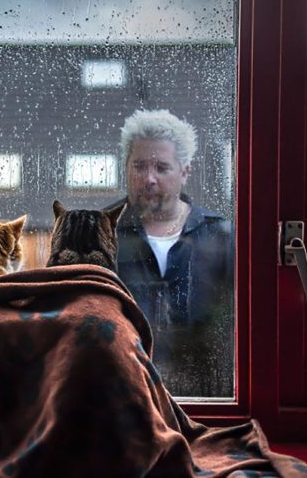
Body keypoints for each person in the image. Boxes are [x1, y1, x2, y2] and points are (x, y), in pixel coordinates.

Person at [108, 109, 234, 398]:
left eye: (162, 168)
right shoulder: (100, 233)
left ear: (185, 171)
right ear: (125, 167)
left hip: (205, 399)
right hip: (119, 397)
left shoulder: (220, 238)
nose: (149, 179)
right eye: (139, 166)